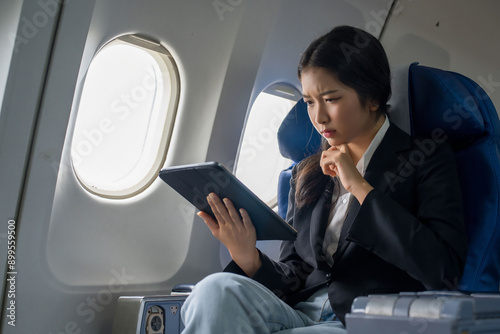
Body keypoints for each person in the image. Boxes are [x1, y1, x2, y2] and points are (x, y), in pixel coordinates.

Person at [180, 25, 468, 333]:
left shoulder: (425, 158)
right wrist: (247, 255)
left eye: (330, 98)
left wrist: (360, 187)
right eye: (309, 101)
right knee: (214, 290)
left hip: (365, 320)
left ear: (371, 98)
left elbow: (441, 269)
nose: (318, 117)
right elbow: (294, 278)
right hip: (299, 315)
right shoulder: (307, 173)